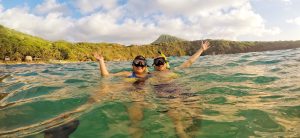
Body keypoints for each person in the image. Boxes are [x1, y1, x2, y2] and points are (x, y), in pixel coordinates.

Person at [149, 40, 211, 138]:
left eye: (161, 61)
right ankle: (181, 134)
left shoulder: (173, 71)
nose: (160, 63)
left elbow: (189, 62)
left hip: (182, 91)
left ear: (166, 63)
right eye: (157, 61)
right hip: (166, 95)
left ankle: (193, 131)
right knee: (177, 119)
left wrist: (201, 49)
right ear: (153, 65)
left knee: (197, 108)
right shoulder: (150, 74)